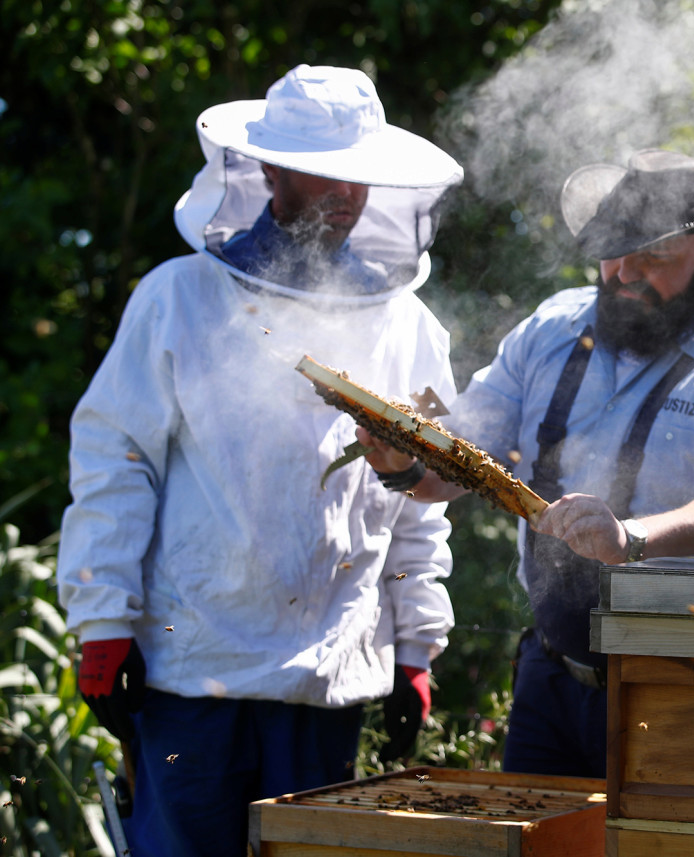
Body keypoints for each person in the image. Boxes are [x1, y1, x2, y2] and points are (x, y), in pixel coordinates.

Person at [57, 65, 461, 856]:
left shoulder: (407, 324)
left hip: (328, 673)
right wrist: (103, 620)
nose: (349, 193)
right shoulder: (178, 297)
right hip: (192, 667)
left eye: (362, 175)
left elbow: (419, 496)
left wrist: (416, 643)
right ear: (268, 168)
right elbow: (116, 459)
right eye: (326, 171)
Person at [360, 149, 694, 777]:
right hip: (549, 674)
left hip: (679, 683)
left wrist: (633, 537)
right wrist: (404, 463)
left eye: (652, 256)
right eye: (613, 251)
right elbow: (465, 454)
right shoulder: (550, 330)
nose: (625, 273)